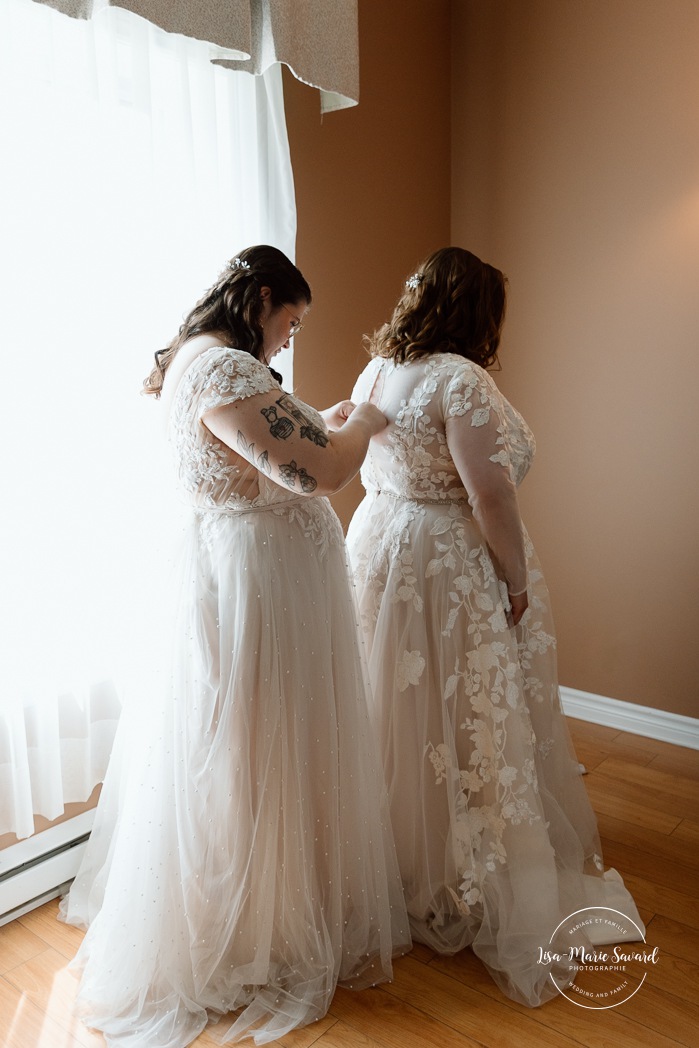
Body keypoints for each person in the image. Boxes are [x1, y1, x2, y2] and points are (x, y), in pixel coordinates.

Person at [60, 245, 411, 1047]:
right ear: (259, 297)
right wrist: (361, 421)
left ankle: (265, 900)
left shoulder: (201, 360)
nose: (287, 340)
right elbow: (315, 477)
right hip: (260, 585)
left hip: (240, 570)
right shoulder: (226, 371)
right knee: (260, 744)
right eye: (289, 321)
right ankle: (258, 926)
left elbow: (263, 450)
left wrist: (316, 422)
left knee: (244, 744)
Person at [345, 246, 643, 1007]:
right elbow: (491, 496)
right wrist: (514, 578)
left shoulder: (378, 373)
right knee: (463, 714)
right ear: (480, 311)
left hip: (380, 542)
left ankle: (403, 872)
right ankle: (462, 873)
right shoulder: (458, 377)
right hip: (443, 559)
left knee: (395, 710)